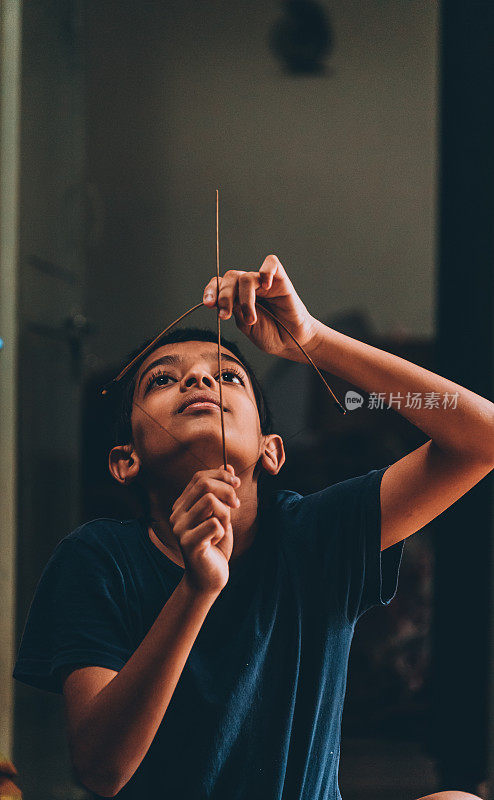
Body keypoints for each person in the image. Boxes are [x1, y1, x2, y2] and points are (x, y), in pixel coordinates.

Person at [14, 256, 494, 799]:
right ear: (126, 460)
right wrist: (197, 591)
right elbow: (101, 771)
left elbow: (483, 439)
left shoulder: (313, 534)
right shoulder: (97, 559)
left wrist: (313, 340)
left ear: (272, 450)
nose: (197, 378)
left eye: (227, 376)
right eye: (163, 379)